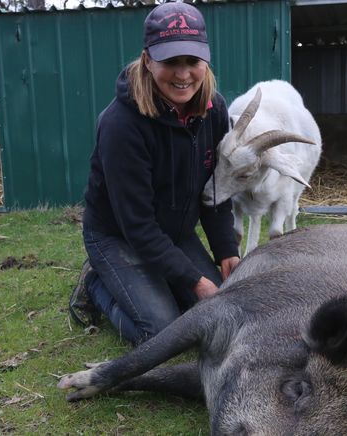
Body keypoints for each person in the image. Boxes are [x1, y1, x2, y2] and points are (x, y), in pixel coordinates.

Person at [68, 1, 240, 346]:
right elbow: (137, 226)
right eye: (170, 62)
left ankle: (159, 285)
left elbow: (216, 190)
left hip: (173, 231)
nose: (183, 74)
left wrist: (226, 250)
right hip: (118, 236)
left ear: (205, 60)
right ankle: (96, 285)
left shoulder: (215, 110)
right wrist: (195, 281)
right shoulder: (121, 125)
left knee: (224, 314)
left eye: (192, 61)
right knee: (163, 333)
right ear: (148, 60)